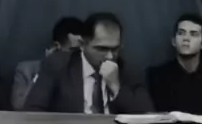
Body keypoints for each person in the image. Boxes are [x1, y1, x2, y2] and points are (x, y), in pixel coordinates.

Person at [25, 12, 153, 114]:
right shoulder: (57, 65)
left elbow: (147, 116)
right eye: (101, 49)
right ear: (82, 44)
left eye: (115, 49)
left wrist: (116, 88)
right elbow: (32, 112)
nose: (110, 56)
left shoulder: (129, 70)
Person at [147, 14, 202, 114]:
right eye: (181, 33)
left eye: (193, 34)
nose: (186, 38)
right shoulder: (157, 76)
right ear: (173, 41)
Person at [11, 16, 83, 110]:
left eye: (82, 51)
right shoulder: (26, 70)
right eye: (73, 51)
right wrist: (45, 71)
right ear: (56, 46)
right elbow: (19, 104)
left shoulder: (88, 73)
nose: (79, 55)